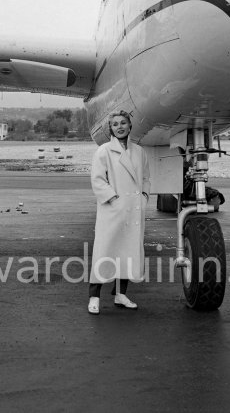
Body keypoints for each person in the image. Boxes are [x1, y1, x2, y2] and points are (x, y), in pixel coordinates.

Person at [88, 110, 150, 315]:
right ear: (110, 129)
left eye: (123, 123)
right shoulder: (103, 151)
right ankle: (94, 297)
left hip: (133, 210)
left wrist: (144, 196)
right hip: (112, 211)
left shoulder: (140, 152)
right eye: (115, 124)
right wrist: (113, 198)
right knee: (104, 251)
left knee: (128, 252)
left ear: (130, 126)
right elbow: (97, 180)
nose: (120, 126)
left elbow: (146, 178)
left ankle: (121, 295)